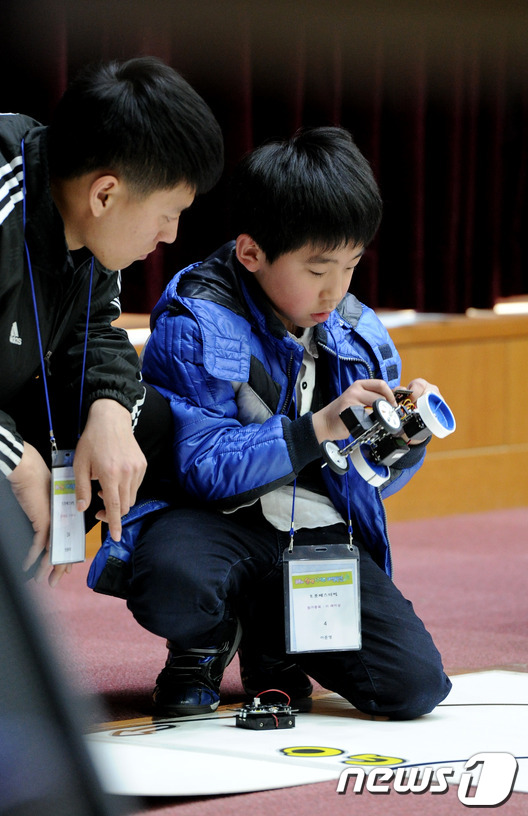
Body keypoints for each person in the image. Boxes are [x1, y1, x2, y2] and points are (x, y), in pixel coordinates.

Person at [128, 126, 452, 720]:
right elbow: (200, 466)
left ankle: (271, 644)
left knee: (413, 688)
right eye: (318, 268)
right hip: (212, 521)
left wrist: (403, 442)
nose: (336, 289)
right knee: (172, 582)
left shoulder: (357, 328)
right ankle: (201, 645)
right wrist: (315, 429)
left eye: (351, 265)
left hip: (315, 530)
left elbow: (368, 484)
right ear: (251, 253)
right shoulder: (196, 320)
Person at [0, 56, 224, 587]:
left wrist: (110, 409)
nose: (171, 235)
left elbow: (98, 328)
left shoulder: (87, 218)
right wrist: (16, 460)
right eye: (168, 214)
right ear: (105, 194)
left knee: (140, 423)